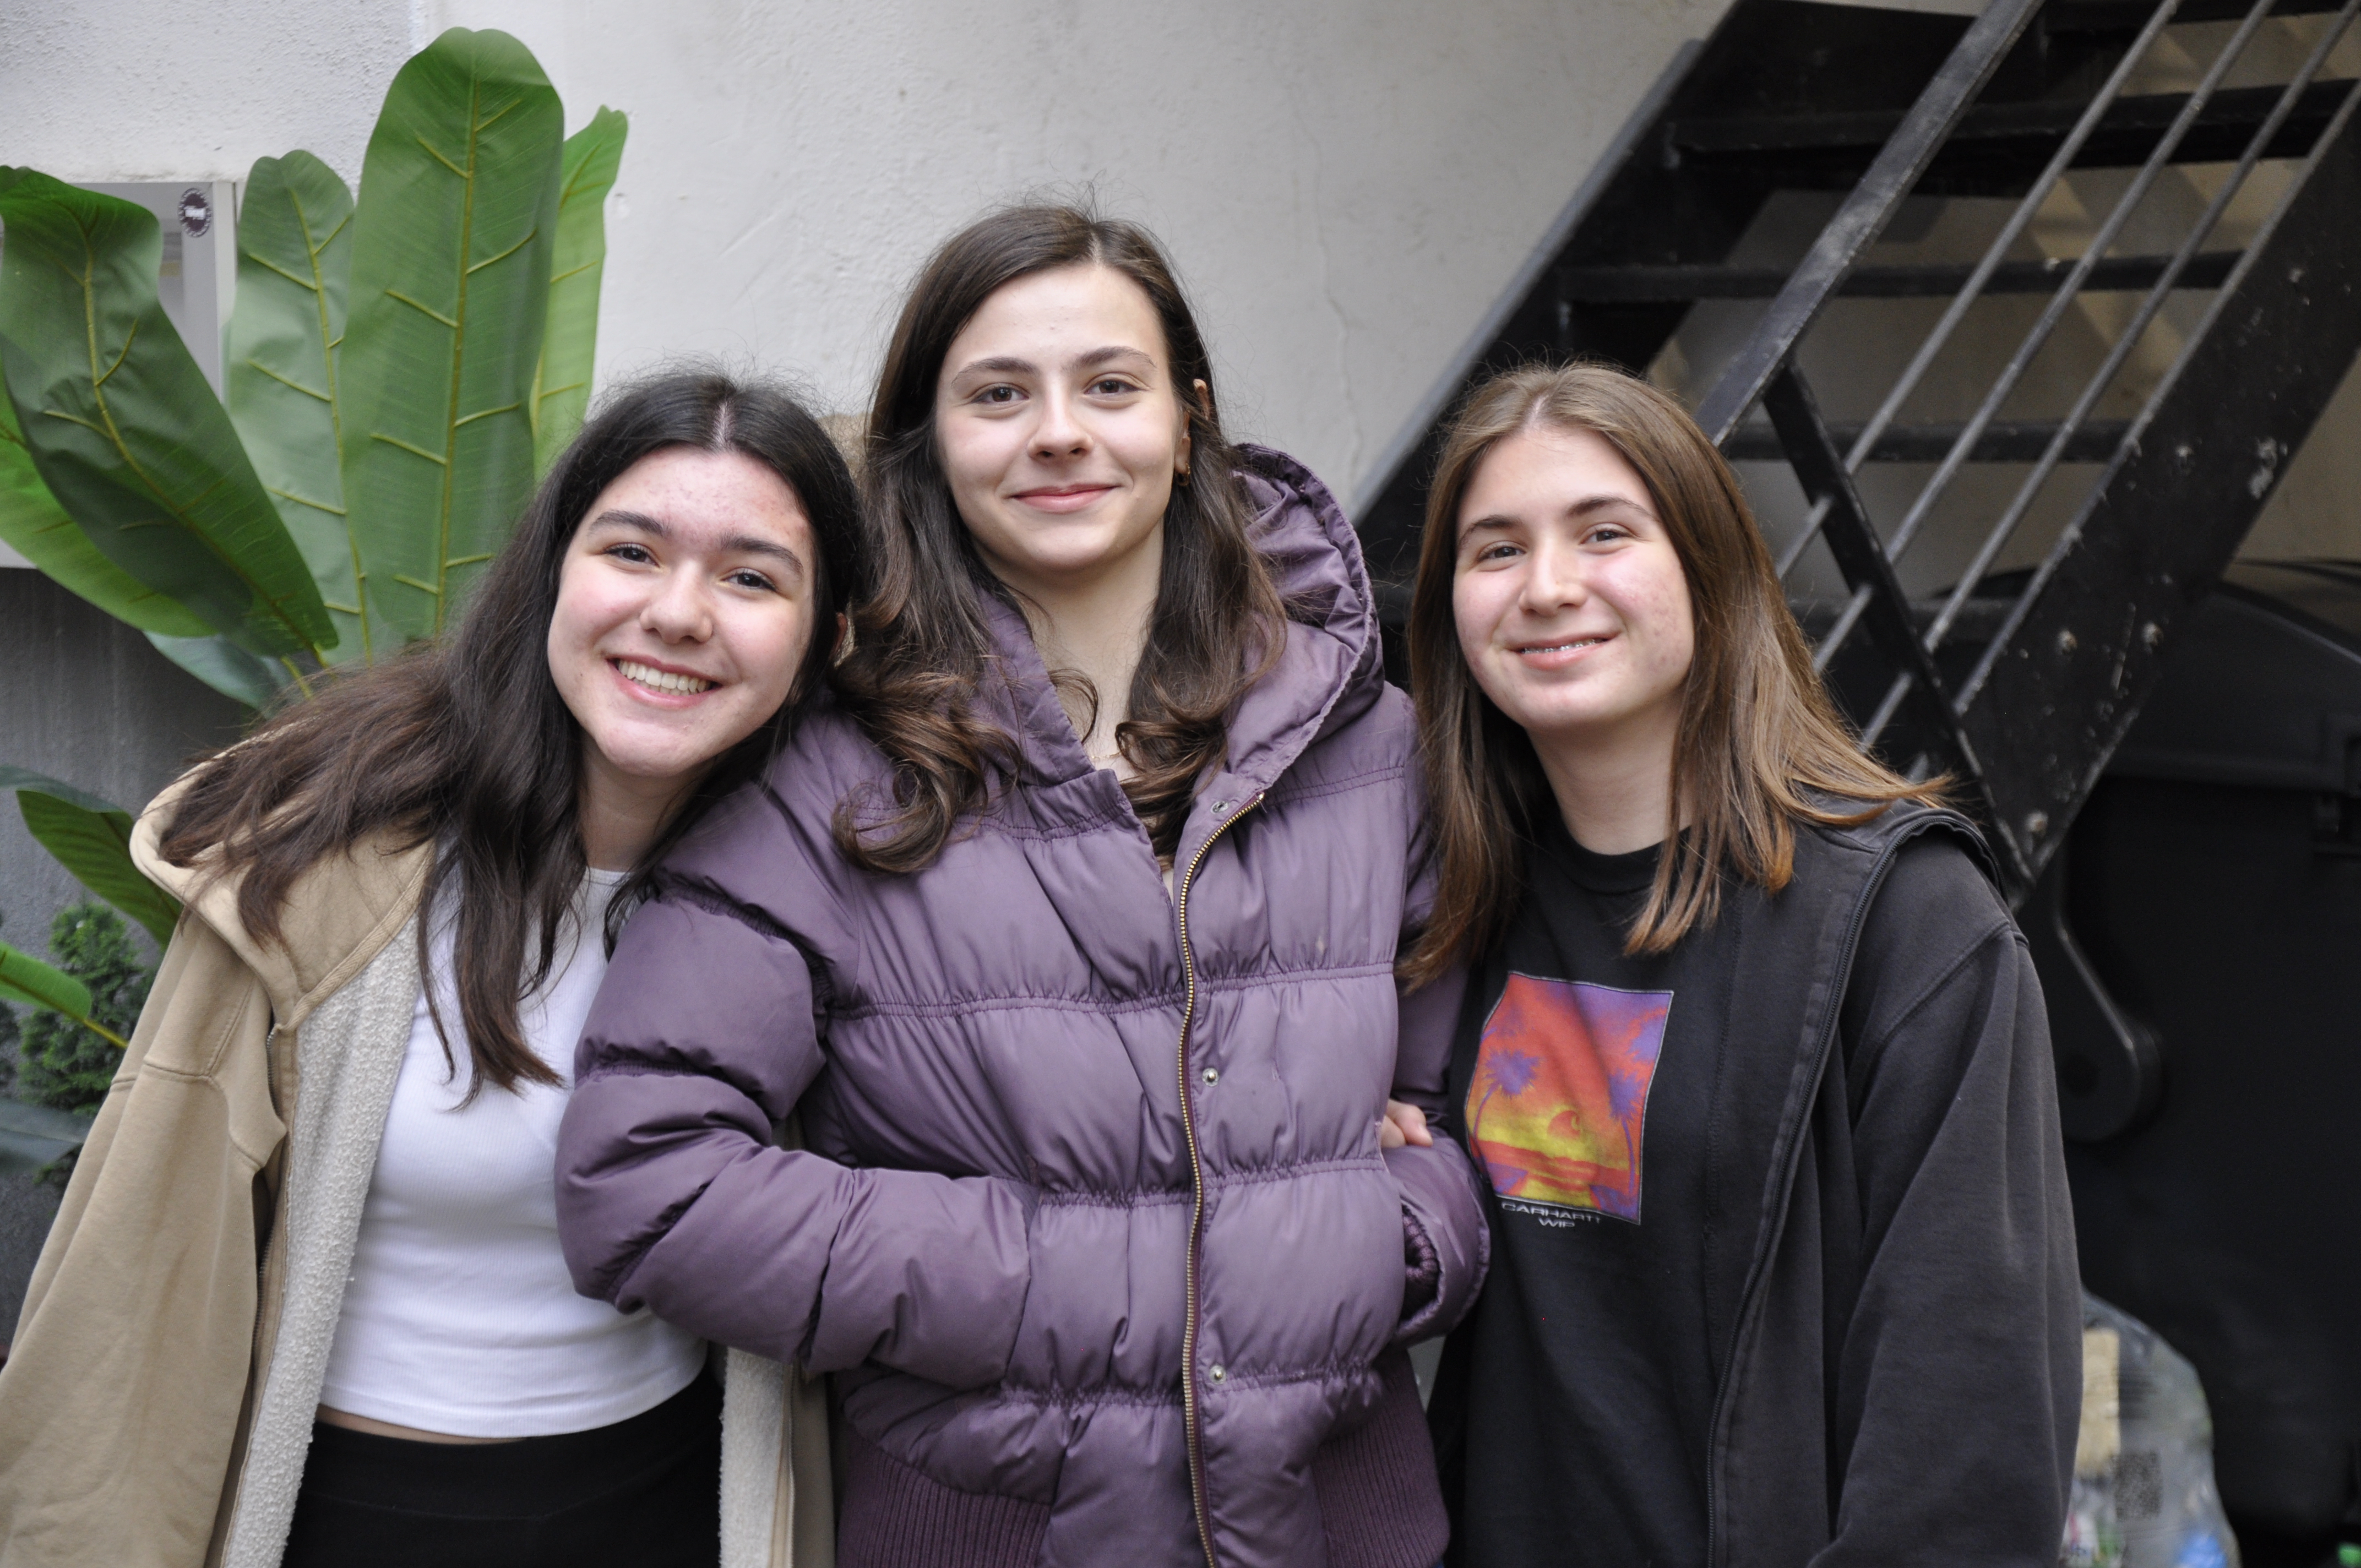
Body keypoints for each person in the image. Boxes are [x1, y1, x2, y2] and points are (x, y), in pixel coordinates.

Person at [554, 205, 1490, 1568]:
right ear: (928, 442)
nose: (1058, 432)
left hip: (1343, 1524)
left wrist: (1401, 1240)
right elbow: (646, 1181)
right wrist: (1077, 1275)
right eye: (998, 394)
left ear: (1188, 421)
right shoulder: (824, 776)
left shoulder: (1368, 746)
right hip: (985, 1526)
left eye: (1108, 385)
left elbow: (1457, 1114)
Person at [0, 372, 862, 1568]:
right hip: (359, 1512)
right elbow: (129, 1297)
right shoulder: (314, 872)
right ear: (550, 573)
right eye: (632, 551)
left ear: (823, 640)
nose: (678, 613)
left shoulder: (830, 901)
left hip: (670, 1503)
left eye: (751, 577)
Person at [1404, 363, 2081, 1567]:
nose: (1546, 587)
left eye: (1604, 532)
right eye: (1495, 549)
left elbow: (1966, 1441)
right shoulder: (1453, 909)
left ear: (1709, 569)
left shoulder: (1910, 925)